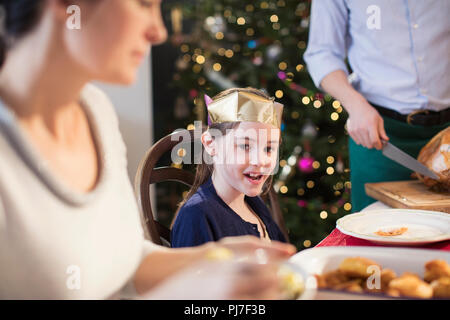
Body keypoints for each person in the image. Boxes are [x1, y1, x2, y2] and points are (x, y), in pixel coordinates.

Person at [0, 0, 296, 299]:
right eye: (144, 4)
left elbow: (121, 263)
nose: (159, 32)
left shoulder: (97, 112)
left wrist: (211, 259)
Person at [304, 0, 450, 212]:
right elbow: (321, 54)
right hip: (378, 135)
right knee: (378, 236)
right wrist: (355, 105)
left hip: (447, 133)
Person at [171, 88, 287, 248]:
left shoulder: (254, 204)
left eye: (268, 149)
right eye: (245, 146)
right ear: (211, 144)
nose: (260, 161)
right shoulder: (197, 216)